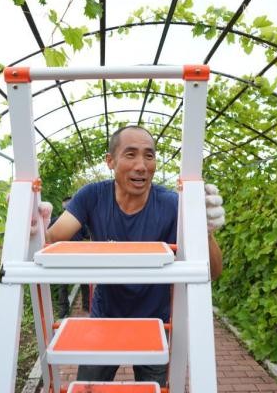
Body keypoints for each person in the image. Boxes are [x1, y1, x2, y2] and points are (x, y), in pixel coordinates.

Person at [36, 125, 225, 387]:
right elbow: (52, 238)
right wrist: (34, 221)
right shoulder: (93, 196)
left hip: (156, 322)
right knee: (88, 387)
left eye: (149, 156)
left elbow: (212, 272)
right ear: (110, 161)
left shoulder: (171, 204)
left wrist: (206, 232)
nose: (141, 166)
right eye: (130, 154)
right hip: (104, 319)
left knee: (155, 388)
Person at [49, 196, 91, 318]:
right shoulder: (78, 222)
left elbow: (48, 237)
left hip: (67, 257)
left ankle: (64, 311)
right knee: (80, 282)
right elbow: (87, 236)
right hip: (73, 256)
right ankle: (85, 307)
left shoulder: (58, 221)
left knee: (64, 283)